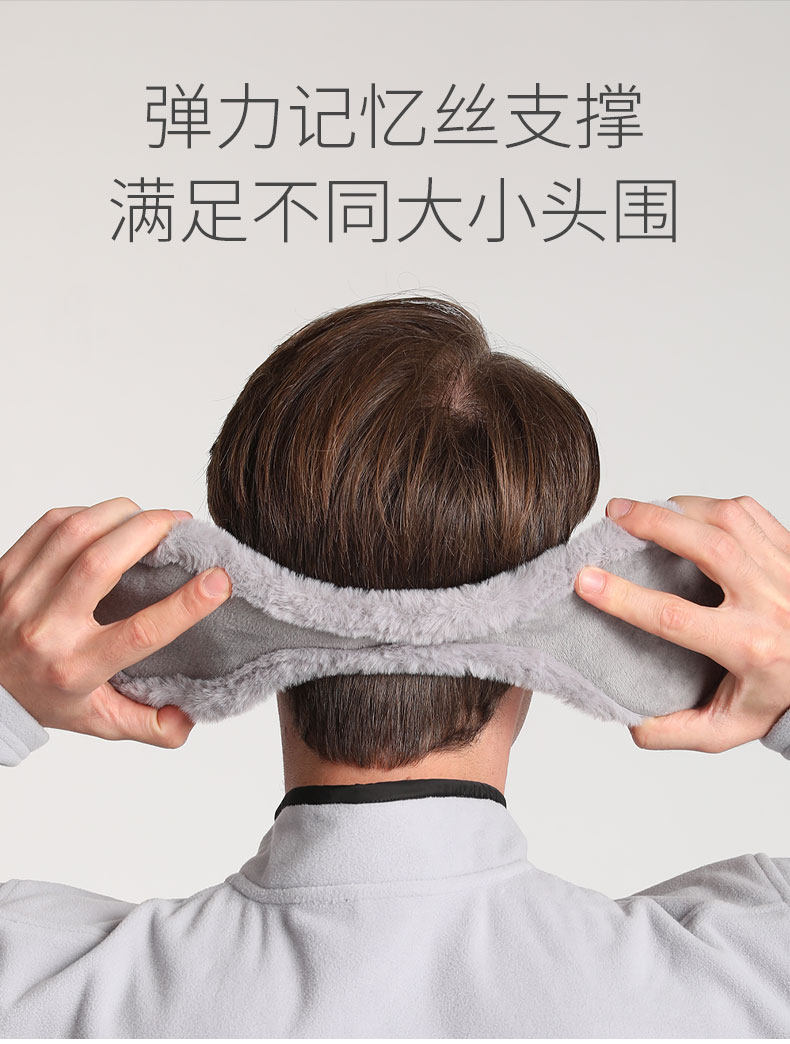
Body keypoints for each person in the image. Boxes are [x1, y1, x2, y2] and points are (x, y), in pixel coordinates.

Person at [0, 295, 788, 1037]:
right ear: (586, 628)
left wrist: (8, 693)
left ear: (206, 595)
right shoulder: (745, 976)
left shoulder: (43, 985)